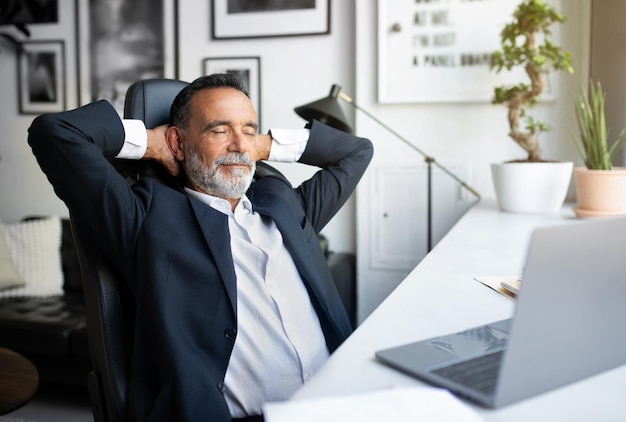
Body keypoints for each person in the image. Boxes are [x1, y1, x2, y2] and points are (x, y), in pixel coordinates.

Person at [28, 74, 373, 421]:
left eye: (248, 129)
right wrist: (150, 142)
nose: (239, 145)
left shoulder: (284, 203)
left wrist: (262, 144)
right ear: (178, 142)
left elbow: (357, 151)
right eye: (219, 130)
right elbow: (53, 132)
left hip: (339, 400)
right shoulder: (147, 219)